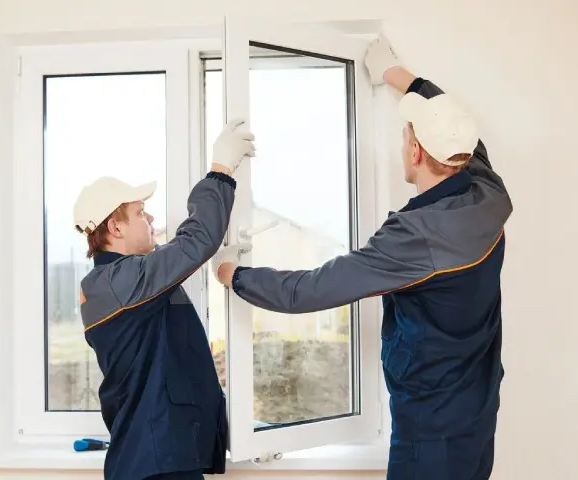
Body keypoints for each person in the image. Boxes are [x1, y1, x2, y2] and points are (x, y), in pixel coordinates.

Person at [212, 35, 512, 480]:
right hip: (477, 410)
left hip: (429, 432)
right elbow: (459, 125)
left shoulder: (416, 237)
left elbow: (309, 290)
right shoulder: (488, 192)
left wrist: (233, 275)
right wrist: (397, 75)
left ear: (414, 151)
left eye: (406, 134)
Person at [74, 119, 256, 480]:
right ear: (115, 228)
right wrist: (220, 172)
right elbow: (193, 243)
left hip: (161, 457)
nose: (151, 218)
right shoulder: (116, 282)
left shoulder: (127, 282)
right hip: (155, 463)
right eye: (141, 212)